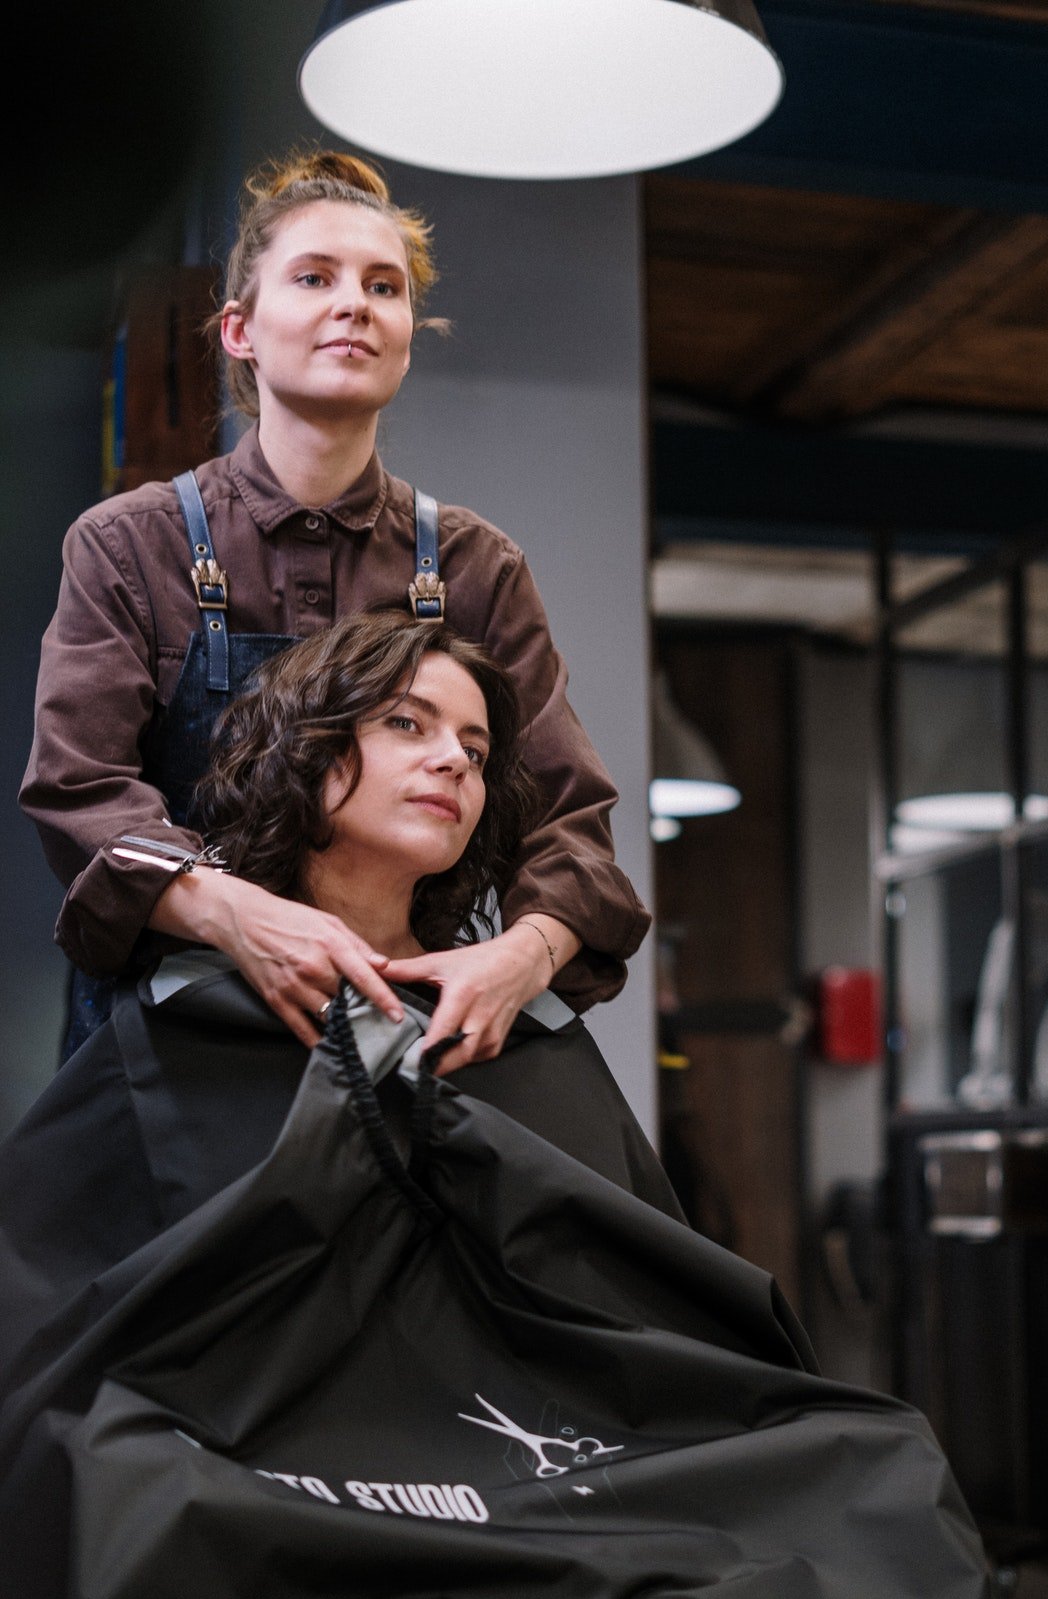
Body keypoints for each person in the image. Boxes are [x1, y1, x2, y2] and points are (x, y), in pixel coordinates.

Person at [0, 613, 998, 1599]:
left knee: (883, 1499)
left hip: (559, 1462)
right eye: (406, 726)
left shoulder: (521, 1035)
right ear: (305, 756)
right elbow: (70, 1328)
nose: (453, 763)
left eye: (474, 743)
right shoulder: (186, 1030)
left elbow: (649, 1301)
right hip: (281, 1477)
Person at [20, 146, 648, 1070]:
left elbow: (571, 826)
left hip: (411, 1039)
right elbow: (80, 796)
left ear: (406, 331)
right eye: (314, 277)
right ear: (239, 329)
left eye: (383, 287)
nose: (354, 302)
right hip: (174, 1047)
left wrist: (523, 956)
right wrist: (233, 911)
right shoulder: (129, 546)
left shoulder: (476, 569)